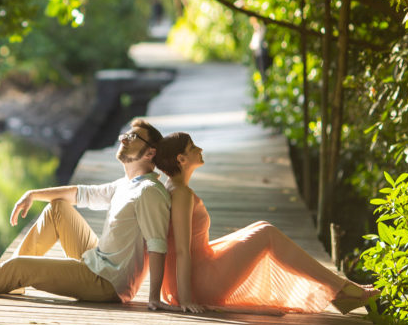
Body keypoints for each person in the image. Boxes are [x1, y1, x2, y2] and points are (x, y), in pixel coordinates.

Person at [0, 119, 172, 316]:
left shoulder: (148, 191)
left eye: (133, 137)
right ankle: (12, 285)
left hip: (108, 284)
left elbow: (157, 244)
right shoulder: (127, 184)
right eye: (126, 133)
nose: (124, 139)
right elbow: (82, 193)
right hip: (98, 262)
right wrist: (33, 193)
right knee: (57, 208)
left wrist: (153, 298)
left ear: (150, 153)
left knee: (17, 265)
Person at [149, 132, 379, 315]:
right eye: (193, 147)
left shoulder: (176, 189)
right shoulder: (181, 194)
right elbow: (180, 250)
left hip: (196, 272)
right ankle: (341, 288)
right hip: (198, 282)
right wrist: (187, 299)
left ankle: (339, 287)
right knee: (267, 233)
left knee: (260, 226)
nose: (200, 149)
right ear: (181, 159)